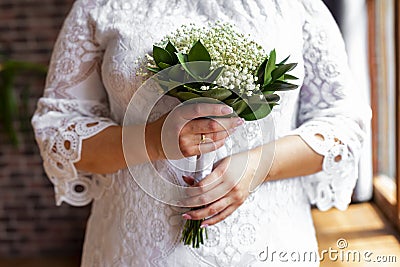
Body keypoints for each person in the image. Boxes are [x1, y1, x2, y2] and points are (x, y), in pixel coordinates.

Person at [31, 0, 370, 266]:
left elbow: (344, 121)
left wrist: (258, 165)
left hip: (269, 247)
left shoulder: (295, 5)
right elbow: (58, 130)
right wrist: (151, 139)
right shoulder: (100, 5)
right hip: (133, 249)